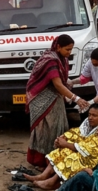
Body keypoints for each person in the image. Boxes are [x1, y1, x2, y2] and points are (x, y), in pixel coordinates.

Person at [27, 104, 98, 190]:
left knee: (74, 157)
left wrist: (67, 144)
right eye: (89, 115)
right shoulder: (88, 124)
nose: (90, 118)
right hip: (87, 152)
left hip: (97, 156)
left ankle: (52, 182)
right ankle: (43, 176)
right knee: (63, 150)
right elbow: (77, 134)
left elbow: (92, 149)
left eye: (94, 116)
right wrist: (63, 139)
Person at [25, 35, 81, 168]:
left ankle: (53, 160)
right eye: (67, 49)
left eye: (71, 49)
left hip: (55, 97)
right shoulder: (50, 60)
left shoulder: (62, 60)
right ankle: (43, 161)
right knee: (45, 130)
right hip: (42, 99)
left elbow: (62, 82)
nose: (69, 52)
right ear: (58, 47)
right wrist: (76, 99)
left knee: (57, 126)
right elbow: (58, 84)